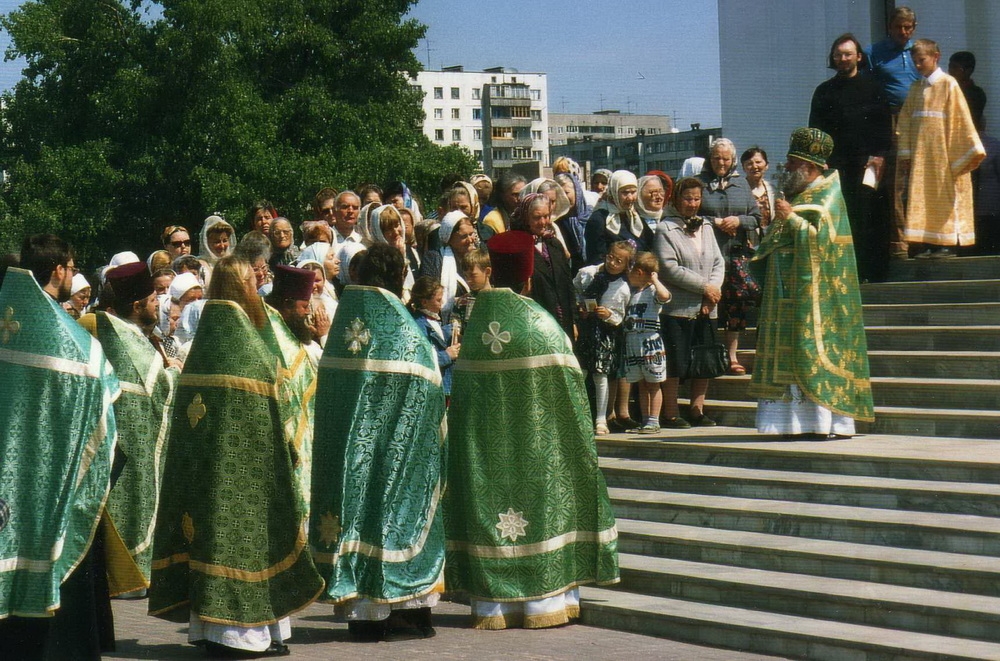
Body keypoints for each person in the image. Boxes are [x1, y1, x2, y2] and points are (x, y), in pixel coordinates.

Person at [445, 238, 619, 629]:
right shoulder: (541, 326)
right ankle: (543, 604)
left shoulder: (475, 330)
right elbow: (573, 398)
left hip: (487, 455)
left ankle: (495, 607)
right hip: (539, 452)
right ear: (527, 277)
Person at [149, 292, 323, 658]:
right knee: (248, 544)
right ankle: (246, 638)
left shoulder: (198, 357)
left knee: (211, 540)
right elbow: (281, 420)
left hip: (205, 482)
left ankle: (209, 629)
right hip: (247, 483)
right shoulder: (256, 359)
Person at [310, 243, 446, 641]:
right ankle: (403, 614)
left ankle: (369, 611)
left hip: (349, 458)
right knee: (393, 517)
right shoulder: (400, 328)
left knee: (360, 516)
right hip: (393, 455)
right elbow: (429, 386)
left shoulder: (343, 326)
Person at [0, 235, 120, 660]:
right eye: (72, 266)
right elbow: (103, 414)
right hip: (48, 493)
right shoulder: (74, 344)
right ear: (59, 271)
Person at [749, 128, 875, 439]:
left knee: (809, 353)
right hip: (786, 294)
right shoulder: (799, 195)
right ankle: (788, 424)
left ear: (812, 166)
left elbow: (822, 243)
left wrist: (790, 218)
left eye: (793, 162)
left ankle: (822, 423)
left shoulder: (828, 195)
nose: (787, 168)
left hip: (815, 296)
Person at [97, 263, 179, 598]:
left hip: (129, 440)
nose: (158, 303)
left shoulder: (118, 333)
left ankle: (125, 573)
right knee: (132, 500)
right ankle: (129, 574)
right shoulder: (130, 341)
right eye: (152, 298)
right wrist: (175, 372)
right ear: (136, 306)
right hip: (134, 441)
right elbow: (161, 389)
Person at [810, 33, 893, 282]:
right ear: (832, 59)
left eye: (848, 54)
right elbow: (815, 130)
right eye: (838, 55)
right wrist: (819, 160)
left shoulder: (874, 88)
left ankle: (874, 273)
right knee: (842, 220)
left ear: (858, 56)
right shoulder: (824, 91)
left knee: (871, 217)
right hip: (836, 167)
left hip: (868, 165)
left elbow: (884, 126)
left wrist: (879, 155)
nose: (843, 58)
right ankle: (845, 273)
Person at [896, 39, 985, 258]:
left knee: (944, 197)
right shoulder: (916, 88)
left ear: (936, 57)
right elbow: (905, 122)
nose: (918, 65)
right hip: (921, 157)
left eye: (922, 60)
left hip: (944, 156)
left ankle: (946, 244)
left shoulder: (948, 84)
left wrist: (956, 157)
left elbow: (960, 121)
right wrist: (906, 153)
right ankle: (929, 242)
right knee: (924, 198)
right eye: (915, 61)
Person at [653, 177, 725, 429]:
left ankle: (697, 409)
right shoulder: (666, 228)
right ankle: (671, 413)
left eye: (696, 199)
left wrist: (711, 293)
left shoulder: (706, 225)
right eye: (687, 198)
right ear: (676, 199)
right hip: (678, 309)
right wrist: (704, 287)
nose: (692, 204)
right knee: (676, 362)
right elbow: (670, 268)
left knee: (703, 362)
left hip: (707, 307)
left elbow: (718, 261)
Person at [699, 138, 761, 376]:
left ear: (733, 160)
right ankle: (712, 355)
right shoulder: (700, 183)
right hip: (707, 256)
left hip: (735, 256)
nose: (721, 163)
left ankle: (732, 355)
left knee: (736, 305)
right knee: (710, 303)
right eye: (716, 158)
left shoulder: (741, 185)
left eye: (725, 158)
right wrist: (713, 222)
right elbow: (689, 214)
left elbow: (756, 218)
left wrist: (738, 220)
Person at [865, 6, 919, 258]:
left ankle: (924, 239)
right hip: (892, 117)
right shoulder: (874, 52)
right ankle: (899, 242)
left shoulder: (919, 52)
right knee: (896, 181)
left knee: (921, 180)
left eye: (908, 27)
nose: (903, 31)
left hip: (919, 119)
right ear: (890, 27)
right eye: (898, 26)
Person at [573, 241, 634, 436]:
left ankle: (600, 417)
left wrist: (608, 314)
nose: (613, 263)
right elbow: (575, 291)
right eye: (610, 257)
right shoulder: (589, 273)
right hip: (586, 329)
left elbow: (620, 315)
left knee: (600, 375)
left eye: (619, 261)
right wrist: (580, 307)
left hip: (605, 334)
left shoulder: (622, 287)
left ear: (626, 265)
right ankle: (576, 414)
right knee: (580, 373)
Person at [511, 193, 577, 340]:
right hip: (536, 325)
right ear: (525, 218)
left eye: (546, 216)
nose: (543, 222)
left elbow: (567, 284)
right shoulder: (516, 248)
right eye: (536, 217)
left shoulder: (554, 243)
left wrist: (573, 320)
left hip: (563, 322)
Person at [624, 252, 672, 434]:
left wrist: (654, 279)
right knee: (641, 383)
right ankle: (645, 420)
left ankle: (654, 420)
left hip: (649, 340)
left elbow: (665, 296)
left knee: (653, 382)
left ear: (639, 272)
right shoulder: (633, 293)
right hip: (633, 340)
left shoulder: (652, 291)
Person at [265, 264, 330, 367]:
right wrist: (324, 336)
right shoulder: (302, 348)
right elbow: (329, 363)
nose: (308, 311)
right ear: (287, 305)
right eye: (304, 307)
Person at [418, 210, 476, 321]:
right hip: (442, 321)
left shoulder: (477, 258)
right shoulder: (434, 259)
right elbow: (428, 292)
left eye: (471, 234)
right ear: (449, 238)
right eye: (464, 236)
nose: (470, 240)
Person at [585, 170, 652, 263]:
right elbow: (597, 259)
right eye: (625, 193)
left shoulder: (635, 217)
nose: (630, 197)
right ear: (614, 192)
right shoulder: (599, 219)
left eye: (633, 192)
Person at [410, 276, 459, 399]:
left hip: (443, 385)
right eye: (438, 300)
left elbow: (437, 335)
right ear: (424, 302)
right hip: (433, 388)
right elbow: (423, 358)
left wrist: (450, 330)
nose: (442, 303)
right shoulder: (418, 325)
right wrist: (447, 355)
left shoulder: (432, 320)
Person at [554, 171, 592, 273]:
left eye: (566, 192)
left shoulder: (592, 216)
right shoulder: (555, 223)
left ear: (577, 191)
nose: (563, 198)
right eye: (559, 194)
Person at [740, 147, 777, 238]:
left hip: (770, 240)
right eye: (749, 163)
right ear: (743, 167)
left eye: (758, 162)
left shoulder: (774, 190)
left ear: (766, 165)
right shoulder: (739, 190)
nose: (754, 166)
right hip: (748, 242)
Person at [948, 51, 987, 133]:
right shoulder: (946, 89)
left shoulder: (976, 94)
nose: (951, 71)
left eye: (955, 68)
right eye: (950, 67)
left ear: (968, 71)